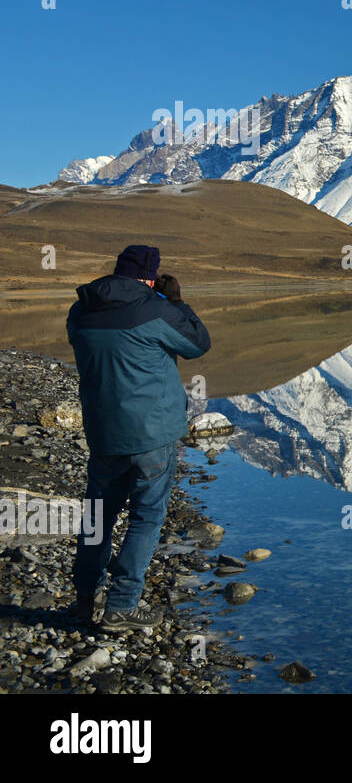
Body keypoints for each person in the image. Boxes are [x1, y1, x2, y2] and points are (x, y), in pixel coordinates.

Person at [66, 245, 211, 631]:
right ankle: (123, 604)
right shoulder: (156, 310)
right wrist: (177, 302)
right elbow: (198, 343)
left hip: (102, 432)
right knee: (146, 516)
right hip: (151, 434)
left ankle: (85, 596)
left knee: (98, 515)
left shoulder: (81, 310)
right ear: (150, 278)